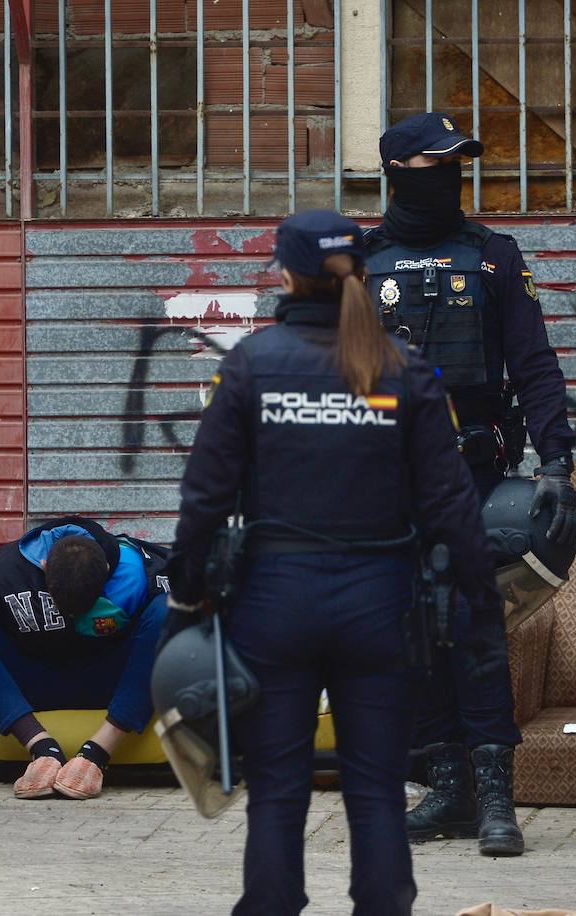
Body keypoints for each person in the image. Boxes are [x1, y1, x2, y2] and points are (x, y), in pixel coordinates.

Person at [166, 210, 506, 916]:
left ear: (286, 276)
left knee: (279, 788)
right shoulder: (404, 372)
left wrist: (187, 590)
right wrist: (481, 603)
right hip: (381, 608)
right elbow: (451, 505)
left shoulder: (252, 366)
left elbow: (205, 494)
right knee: (376, 790)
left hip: (274, 606)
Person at [364, 112, 576, 857]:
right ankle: (447, 788)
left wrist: (556, 461)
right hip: (382, 481)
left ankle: (496, 799)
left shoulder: (492, 257)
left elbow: (535, 365)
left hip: (471, 473)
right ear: (398, 171)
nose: (452, 177)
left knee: (474, 629)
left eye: (459, 164)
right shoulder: (359, 265)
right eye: (437, 163)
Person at [0, 517, 170, 800]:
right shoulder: (4, 570)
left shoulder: (140, 569)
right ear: (44, 568)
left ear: (107, 571)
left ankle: (97, 753)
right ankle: (42, 749)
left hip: (114, 682)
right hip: (37, 681)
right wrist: (38, 744)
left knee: (174, 610)